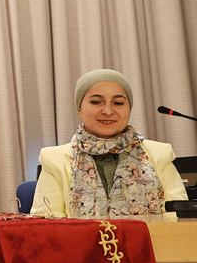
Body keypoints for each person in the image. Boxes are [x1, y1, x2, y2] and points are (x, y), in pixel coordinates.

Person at [31, 69, 187, 218]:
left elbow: (179, 218)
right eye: (96, 102)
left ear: (129, 108)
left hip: (152, 238)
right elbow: (46, 223)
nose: (108, 111)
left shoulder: (160, 154)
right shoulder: (54, 159)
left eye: (118, 103)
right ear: (79, 108)